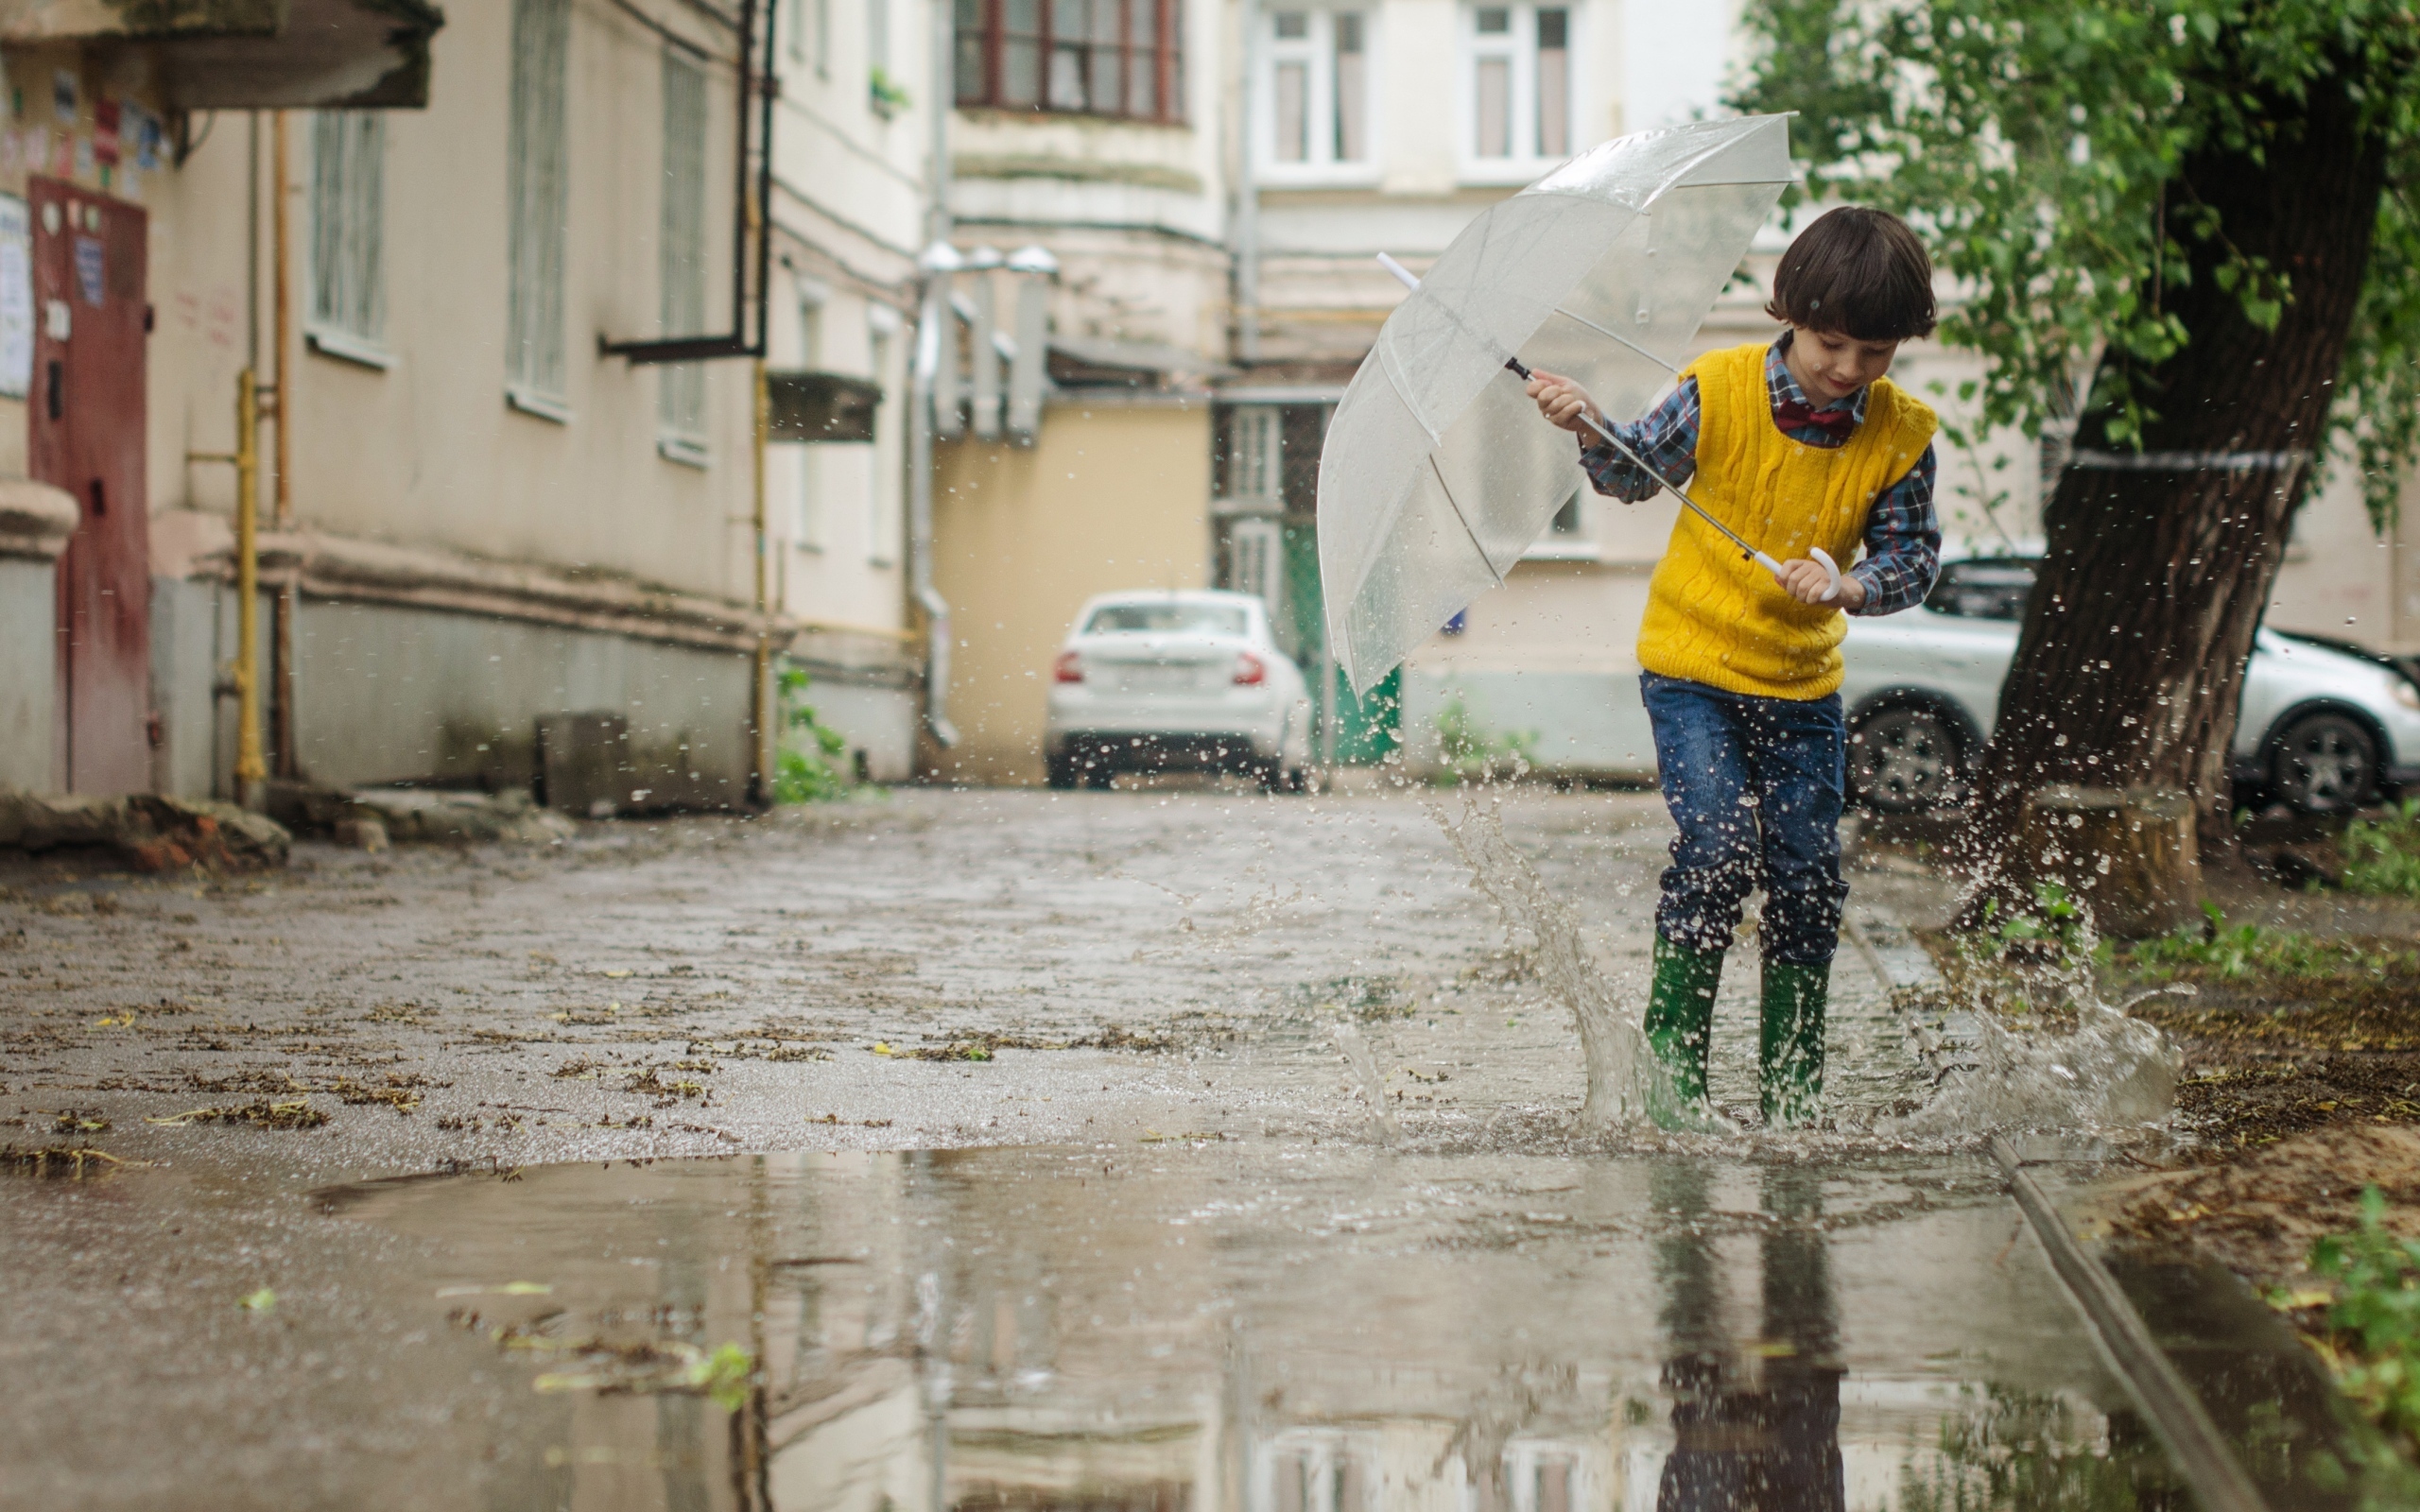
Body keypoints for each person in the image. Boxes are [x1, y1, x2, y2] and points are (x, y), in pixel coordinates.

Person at [1524, 206, 1943, 1128]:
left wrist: (1851, 584)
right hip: (1692, 669)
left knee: (1804, 880)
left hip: (1801, 686)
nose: (1847, 369)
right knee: (1714, 855)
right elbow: (1631, 475)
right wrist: (1588, 424)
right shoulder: (1715, 390)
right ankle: (1673, 1095)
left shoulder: (1902, 435)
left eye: (1874, 353)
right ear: (1787, 312)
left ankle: (1791, 1101)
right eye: (1831, 343)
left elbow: (1912, 560)